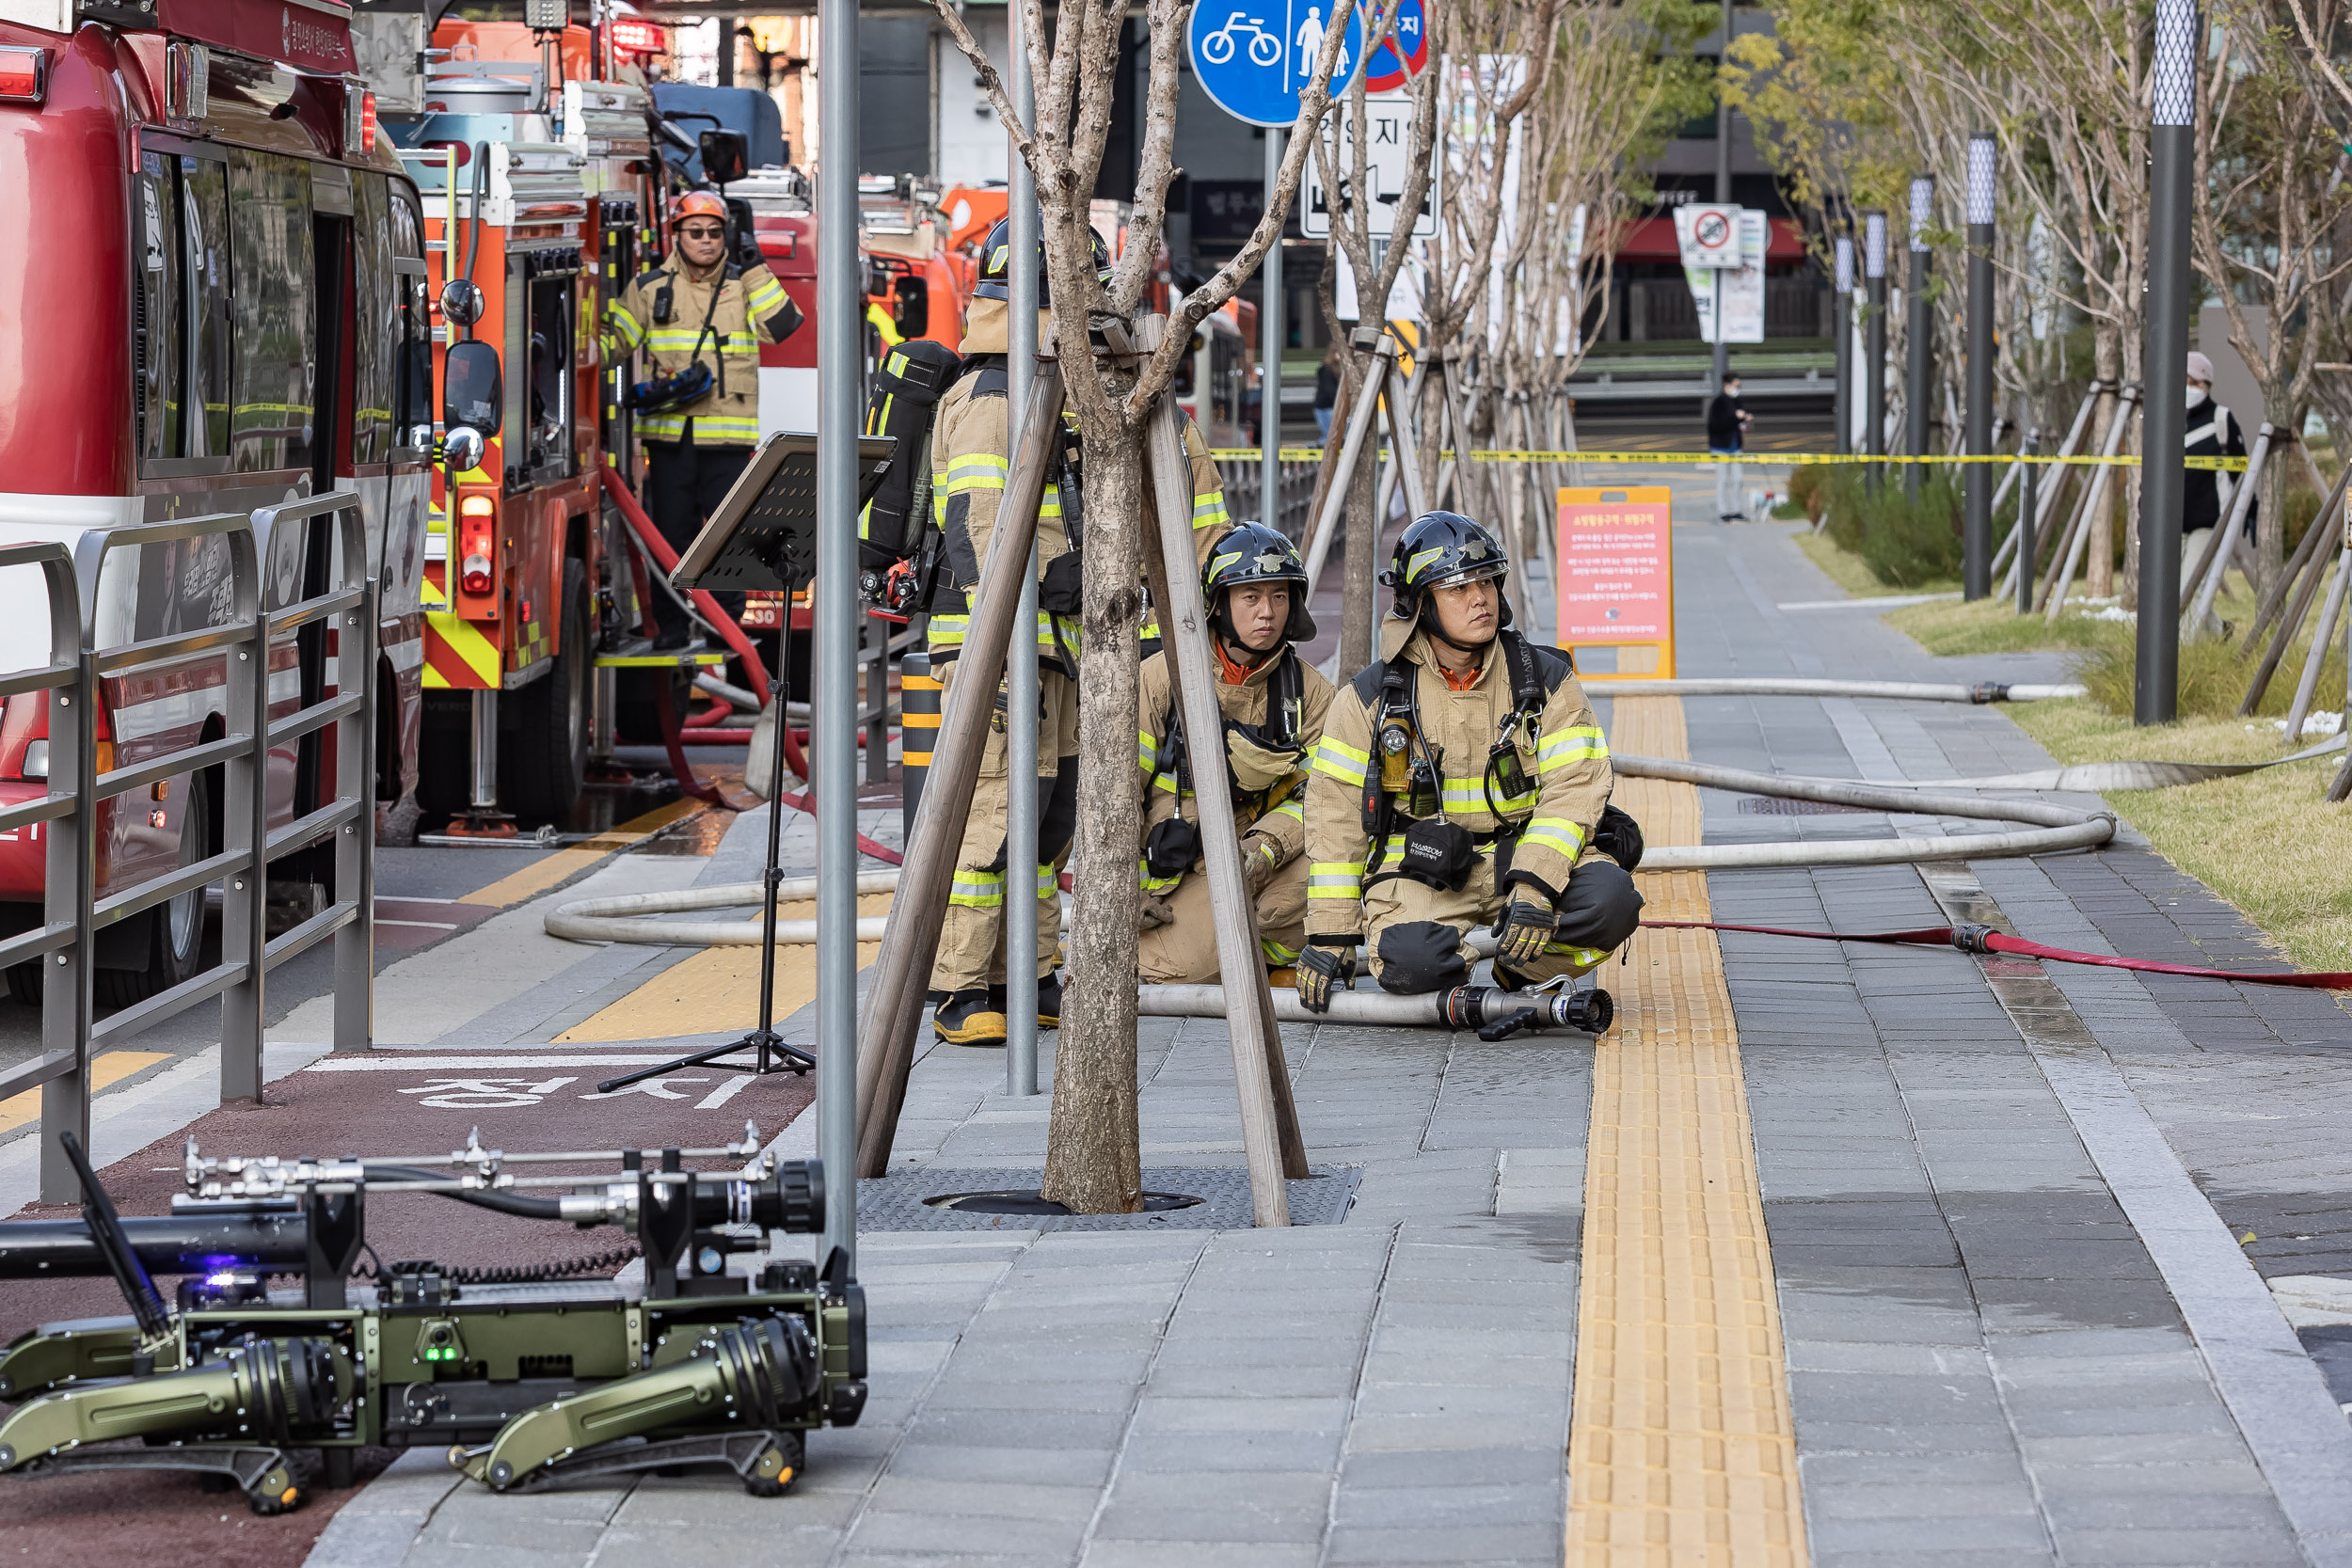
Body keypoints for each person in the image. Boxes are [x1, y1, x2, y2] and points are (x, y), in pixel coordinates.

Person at [927, 216, 1234, 1046]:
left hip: (1057, 644)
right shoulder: (993, 400)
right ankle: (961, 984)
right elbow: (981, 537)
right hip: (994, 646)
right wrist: (1081, 582)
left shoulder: (1062, 393)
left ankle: (1027, 970)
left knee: (1049, 814)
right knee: (995, 812)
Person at [1296, 511, 1645, 1010]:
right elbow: (1334, 817)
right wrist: (1331, 934)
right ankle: (1458, 967)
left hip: (1522, 856)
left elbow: (1576, 788)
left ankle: (1521, 964)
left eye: (1485, 580)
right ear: (1419, 603)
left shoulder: (1545, 680)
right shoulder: (1368, 699)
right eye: (1457, 587)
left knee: (1611, 903)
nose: (1479, 598)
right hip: (1423, 868)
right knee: (1410, 965)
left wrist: (1537, 885)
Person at [602, 190, 804, 646]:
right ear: (678, 235)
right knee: (670, 538)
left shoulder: (743, 284)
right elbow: (609, 344)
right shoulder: (651, 288)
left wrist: (755, 267)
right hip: (669, 441)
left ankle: (724, 631)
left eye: (715, 232)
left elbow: (784, 325)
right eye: (696, 232)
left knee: (727, 540)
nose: (707, 241)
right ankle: (671, 629)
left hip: (728, 443)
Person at [1136, 523, 1334, 985]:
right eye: (1251, 597)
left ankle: (1263, 962)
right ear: (1219, 604)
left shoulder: (1311, 692)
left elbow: (1325, 795)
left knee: (1336, 870)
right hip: (1171, 870)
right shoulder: (1162, 678)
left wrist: (1266, 846)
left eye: (1280, 597)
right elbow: (1113, 794)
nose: (1268, 613)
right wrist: (1122, 889)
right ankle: (1185, 954)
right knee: (1185, 971)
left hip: (1255, 853)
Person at [2183, 350, 2253, 567]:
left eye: (2195, 382)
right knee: (2166, 594)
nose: (2189, 388)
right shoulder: (2168, 419)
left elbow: (2240, 469)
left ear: (2207, 385)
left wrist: (2251, 508)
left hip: (2209, 522)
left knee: (2190, 589)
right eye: (2184, 381)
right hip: (2170, 522)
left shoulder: (2221, 419)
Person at [1706, 372, 1753, 523]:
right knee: (1722, 480)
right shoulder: (1718, 402)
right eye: (1736, 385)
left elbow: (1739, 424)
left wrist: (1746, 420)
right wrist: (1735, 417)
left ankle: (1736, 510)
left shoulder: (1737, 401)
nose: (1738, 388)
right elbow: (1716, 425)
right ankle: (1723, 511)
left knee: (1738, 480)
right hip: (1720, 447)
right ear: (1727, 384)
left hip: (1735, 447)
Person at [1313, 346, 1342, 441]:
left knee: (1329, 435)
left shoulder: (1330, 369)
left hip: (1324, 405)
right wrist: (1338, 401)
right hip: (1325, 406)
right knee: (1329, 436)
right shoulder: (1327, 370)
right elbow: (1329, 389)